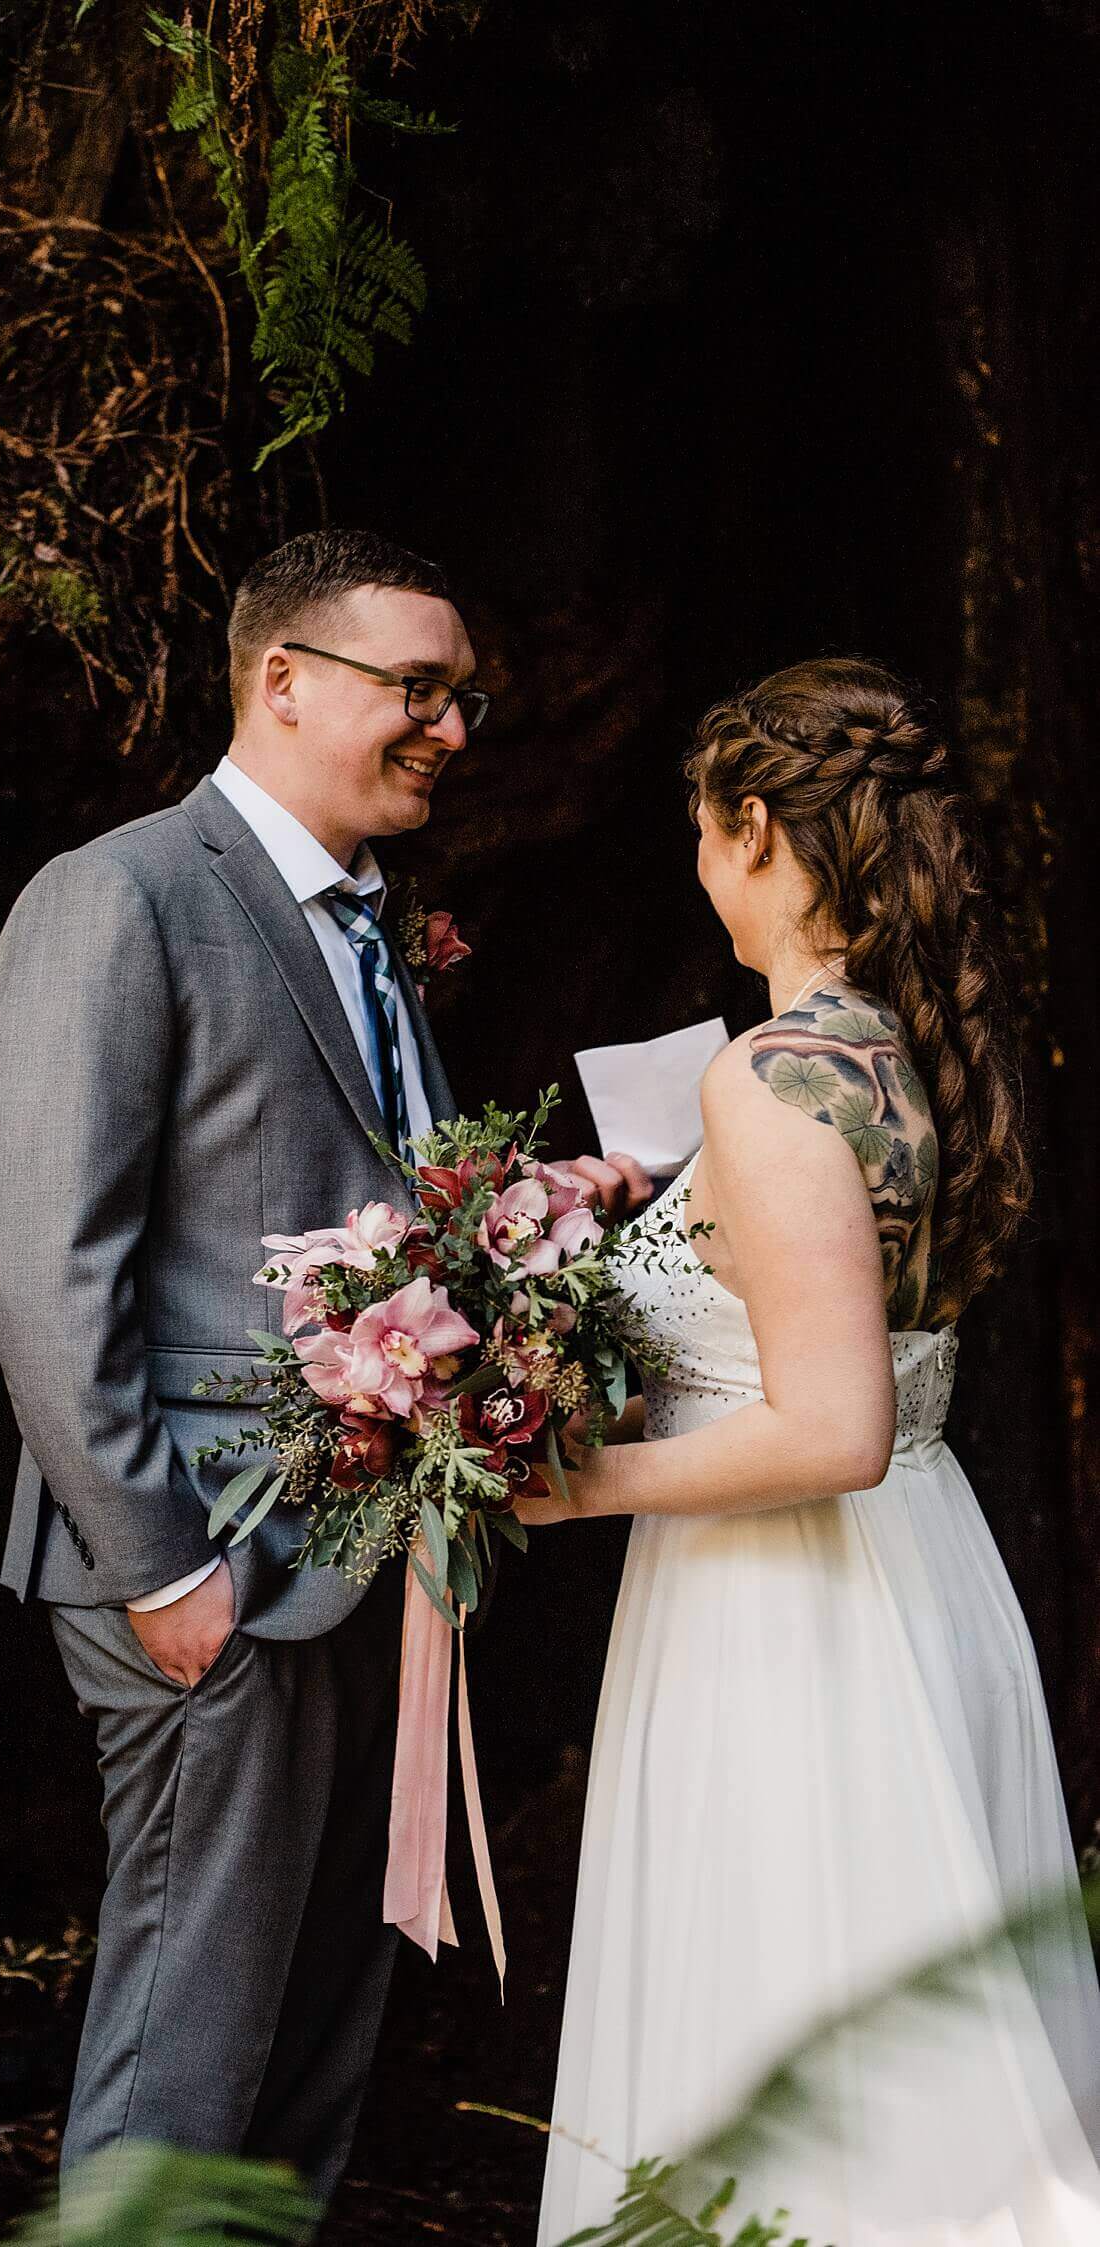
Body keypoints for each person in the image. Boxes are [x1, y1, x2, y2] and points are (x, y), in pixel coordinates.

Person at [0, 529, 638, 2195]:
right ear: (281, 680)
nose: (453, 729)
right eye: (417, 688)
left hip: (367, 1554)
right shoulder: (118, 897)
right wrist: (161, 1562)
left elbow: (388, 1209)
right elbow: (50, 1261)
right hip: (208, 1554)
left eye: (463, 699)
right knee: (189, 2025)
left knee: (319, 2021)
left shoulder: (376, 924)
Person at [524, 658, 1100, 2243]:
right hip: (916, 1579)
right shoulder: (899, 1052)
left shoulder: (772, 1082)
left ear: (761, 830)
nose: (699, 868)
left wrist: (580, 1483)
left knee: (789, 2009)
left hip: (782, 1616)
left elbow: (832, 1428)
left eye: (706, 833)